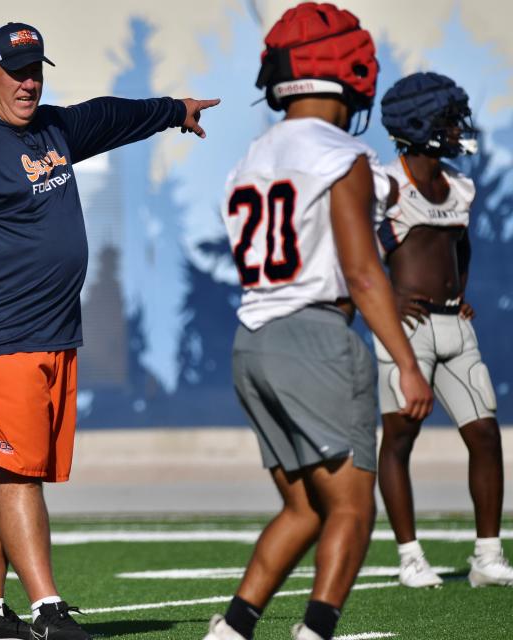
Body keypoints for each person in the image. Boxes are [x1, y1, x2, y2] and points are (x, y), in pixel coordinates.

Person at [0, 21, 219, 640]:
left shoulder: (51, 129)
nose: (28, 82)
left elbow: (108, 117)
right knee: (21, 472)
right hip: (5, 335)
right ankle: (47, 609)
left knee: (1, 469)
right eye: (15, 71)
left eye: (35, 70)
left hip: (53, 332)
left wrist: (173, 111)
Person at [202, 4, 434, 640]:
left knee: (304, 507)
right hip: (315, 337)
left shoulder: (249, 159)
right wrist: (408, 366)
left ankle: (232, 629)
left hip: (252, 342)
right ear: (350, 69)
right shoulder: (342, 153)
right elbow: (362, 272)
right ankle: (315, 634)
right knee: (353, 509)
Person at [374, 72, 513, 589]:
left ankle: (487, 554)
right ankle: (410, 555)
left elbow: (459, 248)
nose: (458, 129)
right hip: (406, 328)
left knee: (484, 432)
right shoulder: (387, 185)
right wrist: (387, 298)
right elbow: (358, 254)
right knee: (400, 435)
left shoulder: (459, 185)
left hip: (454, 321)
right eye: (449, 119)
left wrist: (460, 293)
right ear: (421, 124)